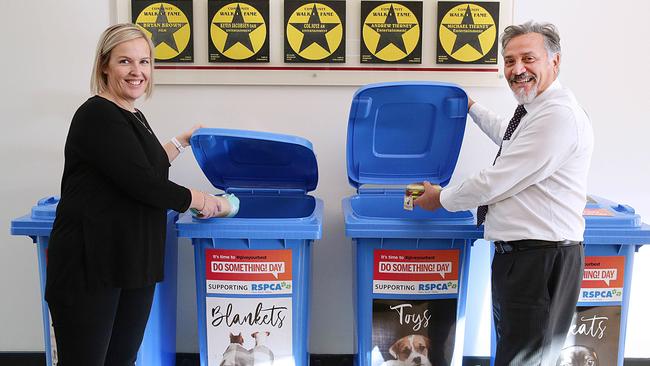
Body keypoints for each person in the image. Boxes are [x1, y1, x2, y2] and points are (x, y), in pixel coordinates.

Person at [45, 23, 230, 365]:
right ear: (104, 65)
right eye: (125, 62)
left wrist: (183, 141)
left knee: (121, 359)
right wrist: (207, 201)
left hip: (130, 262)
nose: (137, 72)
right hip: (91, 266)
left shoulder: (132, 114)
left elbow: (146, 166)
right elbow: (143, 184)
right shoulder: (97, 115)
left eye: (144, 62)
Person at [414, 21, 594, 365]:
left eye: (528, 59)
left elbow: (497, 179)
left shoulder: (558, 117)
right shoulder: (537, 112)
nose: (517, 69)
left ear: (554, 62)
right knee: (518, 351)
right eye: (509, 61)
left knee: (524, 358)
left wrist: (441, 198)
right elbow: (510, 141)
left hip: (540, 260)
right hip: (527, 257)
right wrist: (471, 108)